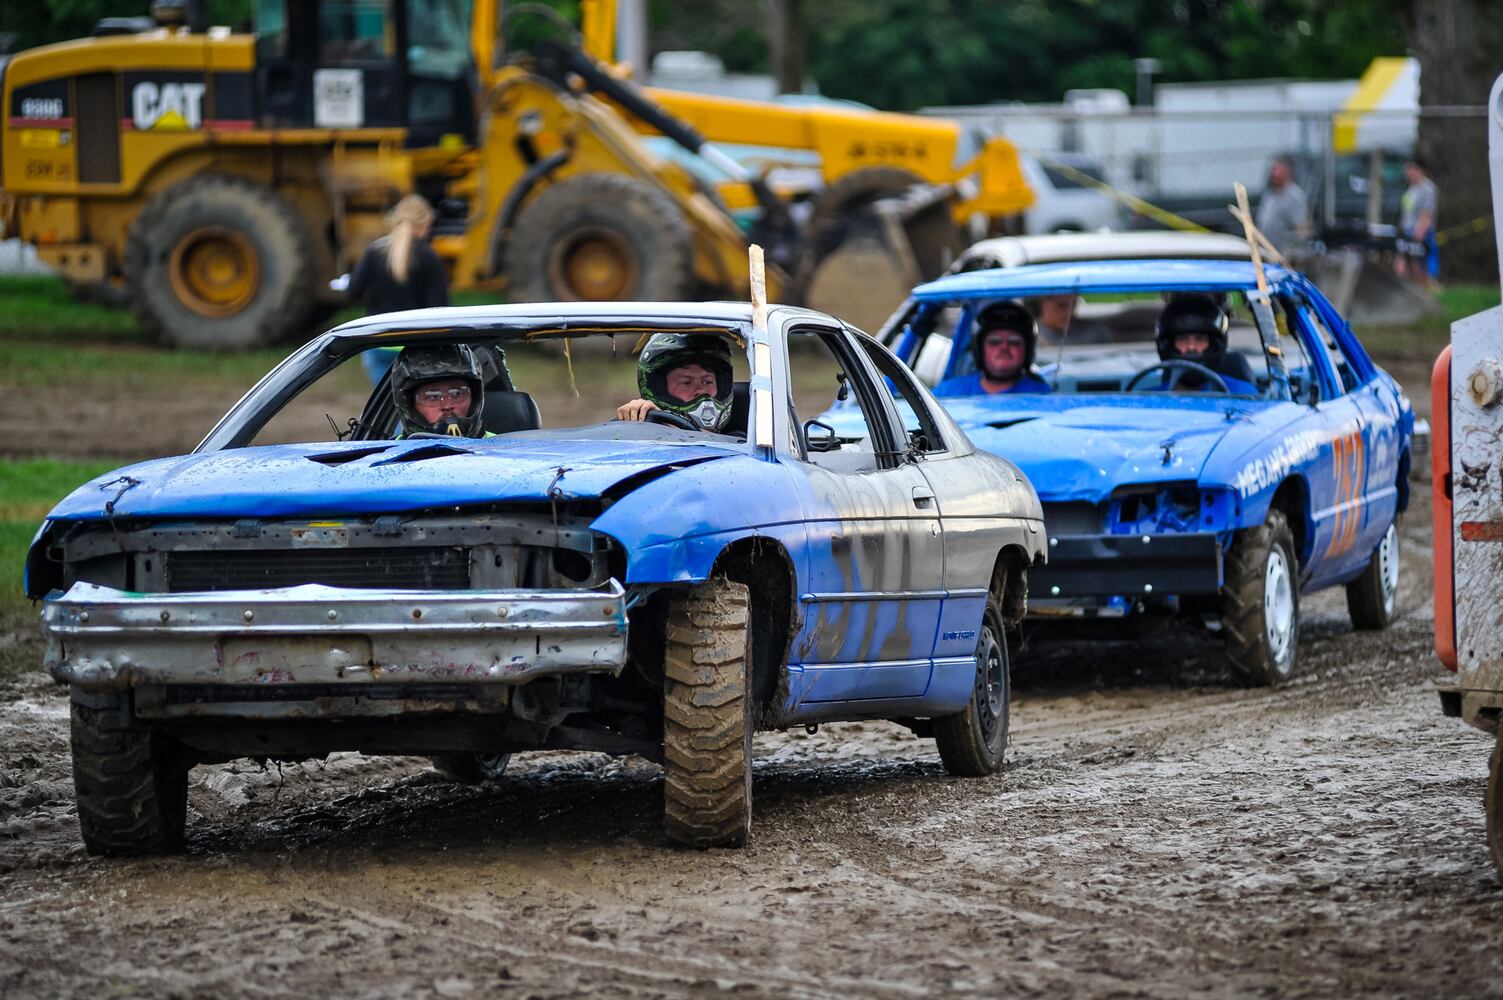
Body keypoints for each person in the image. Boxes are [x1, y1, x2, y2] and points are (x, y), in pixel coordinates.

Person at [350, 195, 450, 384]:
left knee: (386, 407)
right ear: (424, 225)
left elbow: (353, 291)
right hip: (415, 346)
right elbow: (439, 308)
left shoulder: (374, 251)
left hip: (378, 342)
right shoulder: (429, 257)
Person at [616, 333, 736, 432]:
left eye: (707, 381)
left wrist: (673, 427)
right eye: (686, 383)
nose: (700, 390)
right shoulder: (645, 438)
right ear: (659, 389)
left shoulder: (743, 443)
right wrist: (633, 418)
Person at [934, 301, 1052, 397]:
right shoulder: (946, 394)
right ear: (979, 349)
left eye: (1014, 342)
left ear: (1028, 350)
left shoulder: (1043, 396)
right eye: (994, 341)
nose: (1004, 347)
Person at [1153, 294, 1257, 395]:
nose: (1191, 347)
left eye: (1200, 339)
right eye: (1183, 339)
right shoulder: (1148, 399)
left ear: (1214, 344)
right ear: (1169, 344)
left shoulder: (1242, 395)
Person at [390, 343, 487, 437]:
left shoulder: (500, 447)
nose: (447, 405)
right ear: (409, 404)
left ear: (474, 397)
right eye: (433, 397)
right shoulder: (391, 452)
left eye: (456, 394)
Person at [1395, 158, 1439, 289]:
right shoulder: (1411, 189)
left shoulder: (1428, 188)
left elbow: (1426, 213)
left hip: (1421, 234)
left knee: (1422, 268)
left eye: (1412, 169)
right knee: (1408, 267)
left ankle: (1433, 296)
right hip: (1407, 232)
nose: (1409, 173)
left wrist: (1419, 233)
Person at [1254, 157, 1310, 259]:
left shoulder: (1294, 195)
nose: (1275, 174)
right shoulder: (1270, 194)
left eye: (1278, 171)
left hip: (1283, 252)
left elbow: (1301, 227)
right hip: (1265, 249)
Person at [1034, 294, 1110, 346]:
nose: (1068, 313)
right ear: (1043, 305)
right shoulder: (1031, 334)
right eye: (1061, 306)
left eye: (1072, 305)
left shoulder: (1094, 332)